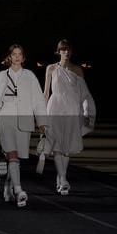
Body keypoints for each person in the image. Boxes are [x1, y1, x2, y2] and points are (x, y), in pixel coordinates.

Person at [0, 44, 46, 208]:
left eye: (20, 54)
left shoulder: (30, 76)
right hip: (5, 118)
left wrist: (42, 122)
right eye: (14, 54)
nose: (17, 57)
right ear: (9, 57)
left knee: (16, 157)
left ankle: (8, 186)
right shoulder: (0, 76)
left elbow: (38, 100)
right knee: (12, 154)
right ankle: (19, 190)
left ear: (23, 57)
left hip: (24, 120)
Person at [40, 39, 96, 195]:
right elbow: (46, 93)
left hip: (71, 109)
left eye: (68, 49)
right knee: (57, 145)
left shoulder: (78, 70)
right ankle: (64, 179)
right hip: (55, 108)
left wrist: (86, 111)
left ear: (71, 52)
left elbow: (84, 94)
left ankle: (61, 178)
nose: (65, 52)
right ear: (58, 51)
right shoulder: (51, 68)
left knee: (66, 147)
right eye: (63, 49)